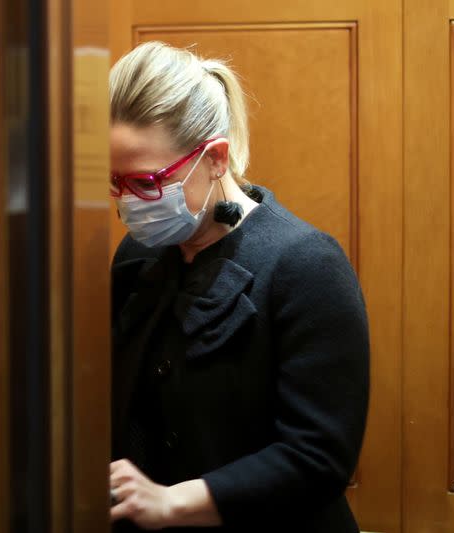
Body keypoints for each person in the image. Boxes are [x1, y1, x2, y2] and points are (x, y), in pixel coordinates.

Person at [108, 41, 370, 532]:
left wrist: (173, 502)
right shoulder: (135, 257)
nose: (128, 203)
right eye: (115, 183)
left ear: (215, 158)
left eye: (146, 183)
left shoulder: (306, 264)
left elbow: (319, 455)